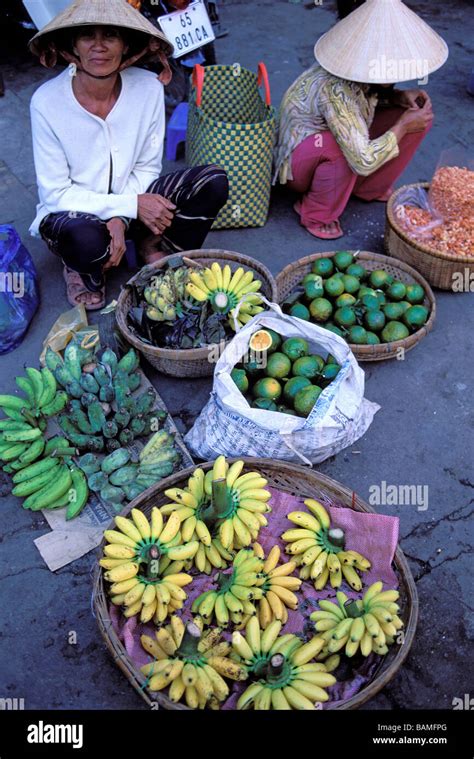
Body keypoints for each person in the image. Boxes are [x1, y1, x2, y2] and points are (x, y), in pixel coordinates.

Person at [28, 0, 229, 310]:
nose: (98, 46)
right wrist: (127, 206)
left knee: (212, 181)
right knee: (84, 239)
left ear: (125, 45)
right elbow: (56, 193)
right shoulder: (46, 102)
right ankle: (83, 270)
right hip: (76, 213)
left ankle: (154, 245)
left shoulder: (148, 88)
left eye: (110, 35)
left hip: (134, 202)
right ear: (73, 47)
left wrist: (122, 217)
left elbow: (148, 167)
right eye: (86, 36)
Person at [274, 0, 448, 240]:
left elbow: (366, 101)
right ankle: (315, 212)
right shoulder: (337, 88)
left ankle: (366, 188)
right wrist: (402, 125)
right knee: (339, 147)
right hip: (297, 164)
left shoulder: (364, 75)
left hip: (337, 139)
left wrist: (397, 98)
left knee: (418, 116)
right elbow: (362, 160)